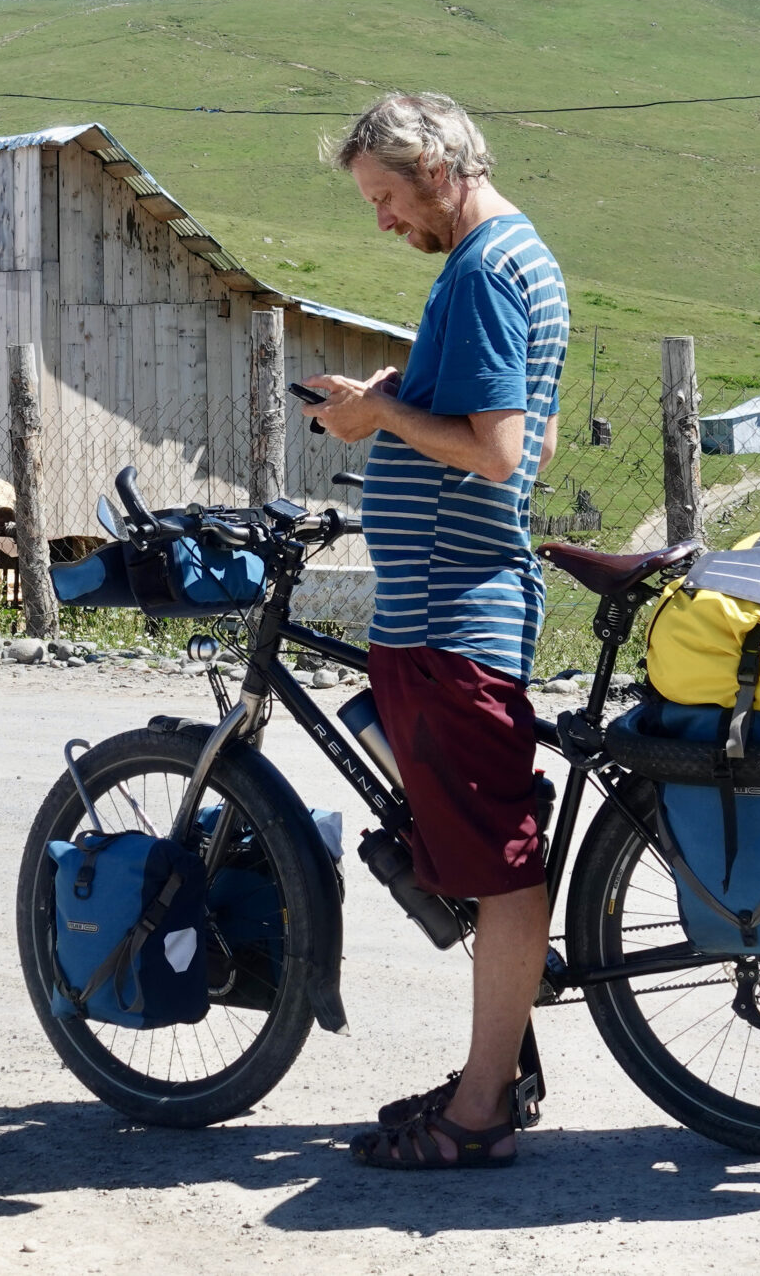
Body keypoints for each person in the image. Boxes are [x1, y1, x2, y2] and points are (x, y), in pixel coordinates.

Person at [303, 92, 567, 1171]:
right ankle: (489, 1077)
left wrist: (376, 419)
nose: (381, 222)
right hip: (443, 607)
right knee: (479, 854)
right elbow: (498, 422)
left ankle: (480, 1115)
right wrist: (398, 391)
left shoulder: (484, 270)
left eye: (385, 199)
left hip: (456, 609)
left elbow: (500, 452)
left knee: (499, 871)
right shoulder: (496, 266)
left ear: (440, 171)